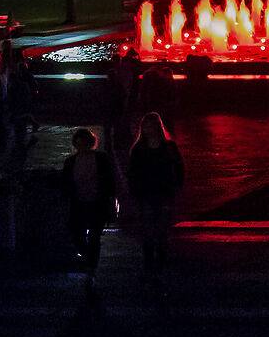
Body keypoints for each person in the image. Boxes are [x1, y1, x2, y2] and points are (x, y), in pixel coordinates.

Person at [125, 113, 186, 283]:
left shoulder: (146, 148)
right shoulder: (154, 148)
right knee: (149, 231)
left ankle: (156, 266)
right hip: (147, 194)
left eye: (151, 125)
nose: (148, 129)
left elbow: (180, 167)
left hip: (161, 193)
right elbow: (133, 173)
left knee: (159, 231)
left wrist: (177, 186)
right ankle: (152, 265)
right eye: (146, 126)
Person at [62, 128, 118, 288]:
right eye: (78, 144)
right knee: (80, 237)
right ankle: (90, 262)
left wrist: (110, 200)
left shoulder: (99, 159)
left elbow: (109, 181)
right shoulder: (71, 162)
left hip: (96, 203)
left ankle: (91, 266)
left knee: (94, 237)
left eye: (83, 144)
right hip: (80, 203)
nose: (81, 147)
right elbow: (66, 184)